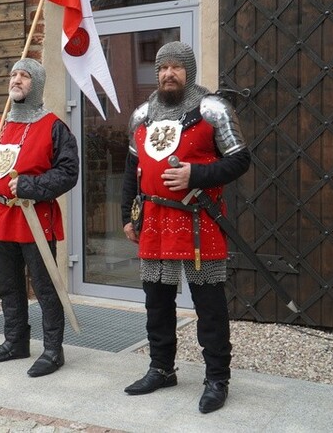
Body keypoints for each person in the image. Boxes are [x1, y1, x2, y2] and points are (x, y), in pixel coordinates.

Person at [120, 41, 251, 413]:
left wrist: (198, 173)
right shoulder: (142, 115)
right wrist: (128, 217)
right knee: (156, 303)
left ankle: (217, 379)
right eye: (162, 68)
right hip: (156, 222)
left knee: (209, 305)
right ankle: (161, 368)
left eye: (176, 67)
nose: (168, 74)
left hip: (198, 221)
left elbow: (241, 160)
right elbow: (132, 171)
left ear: (188, 71)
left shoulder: (212, 109)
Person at [0, 58, 79, 378]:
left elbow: (69, 173)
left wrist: (31, 185)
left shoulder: (55, 127)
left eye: (25, 76)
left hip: (35, 218)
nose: (16, 80)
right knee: (8, 285)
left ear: (37, 85)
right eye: (13, 74)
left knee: (44, 287)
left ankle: (53, 350)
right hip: (1, 216)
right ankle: (15, 341)